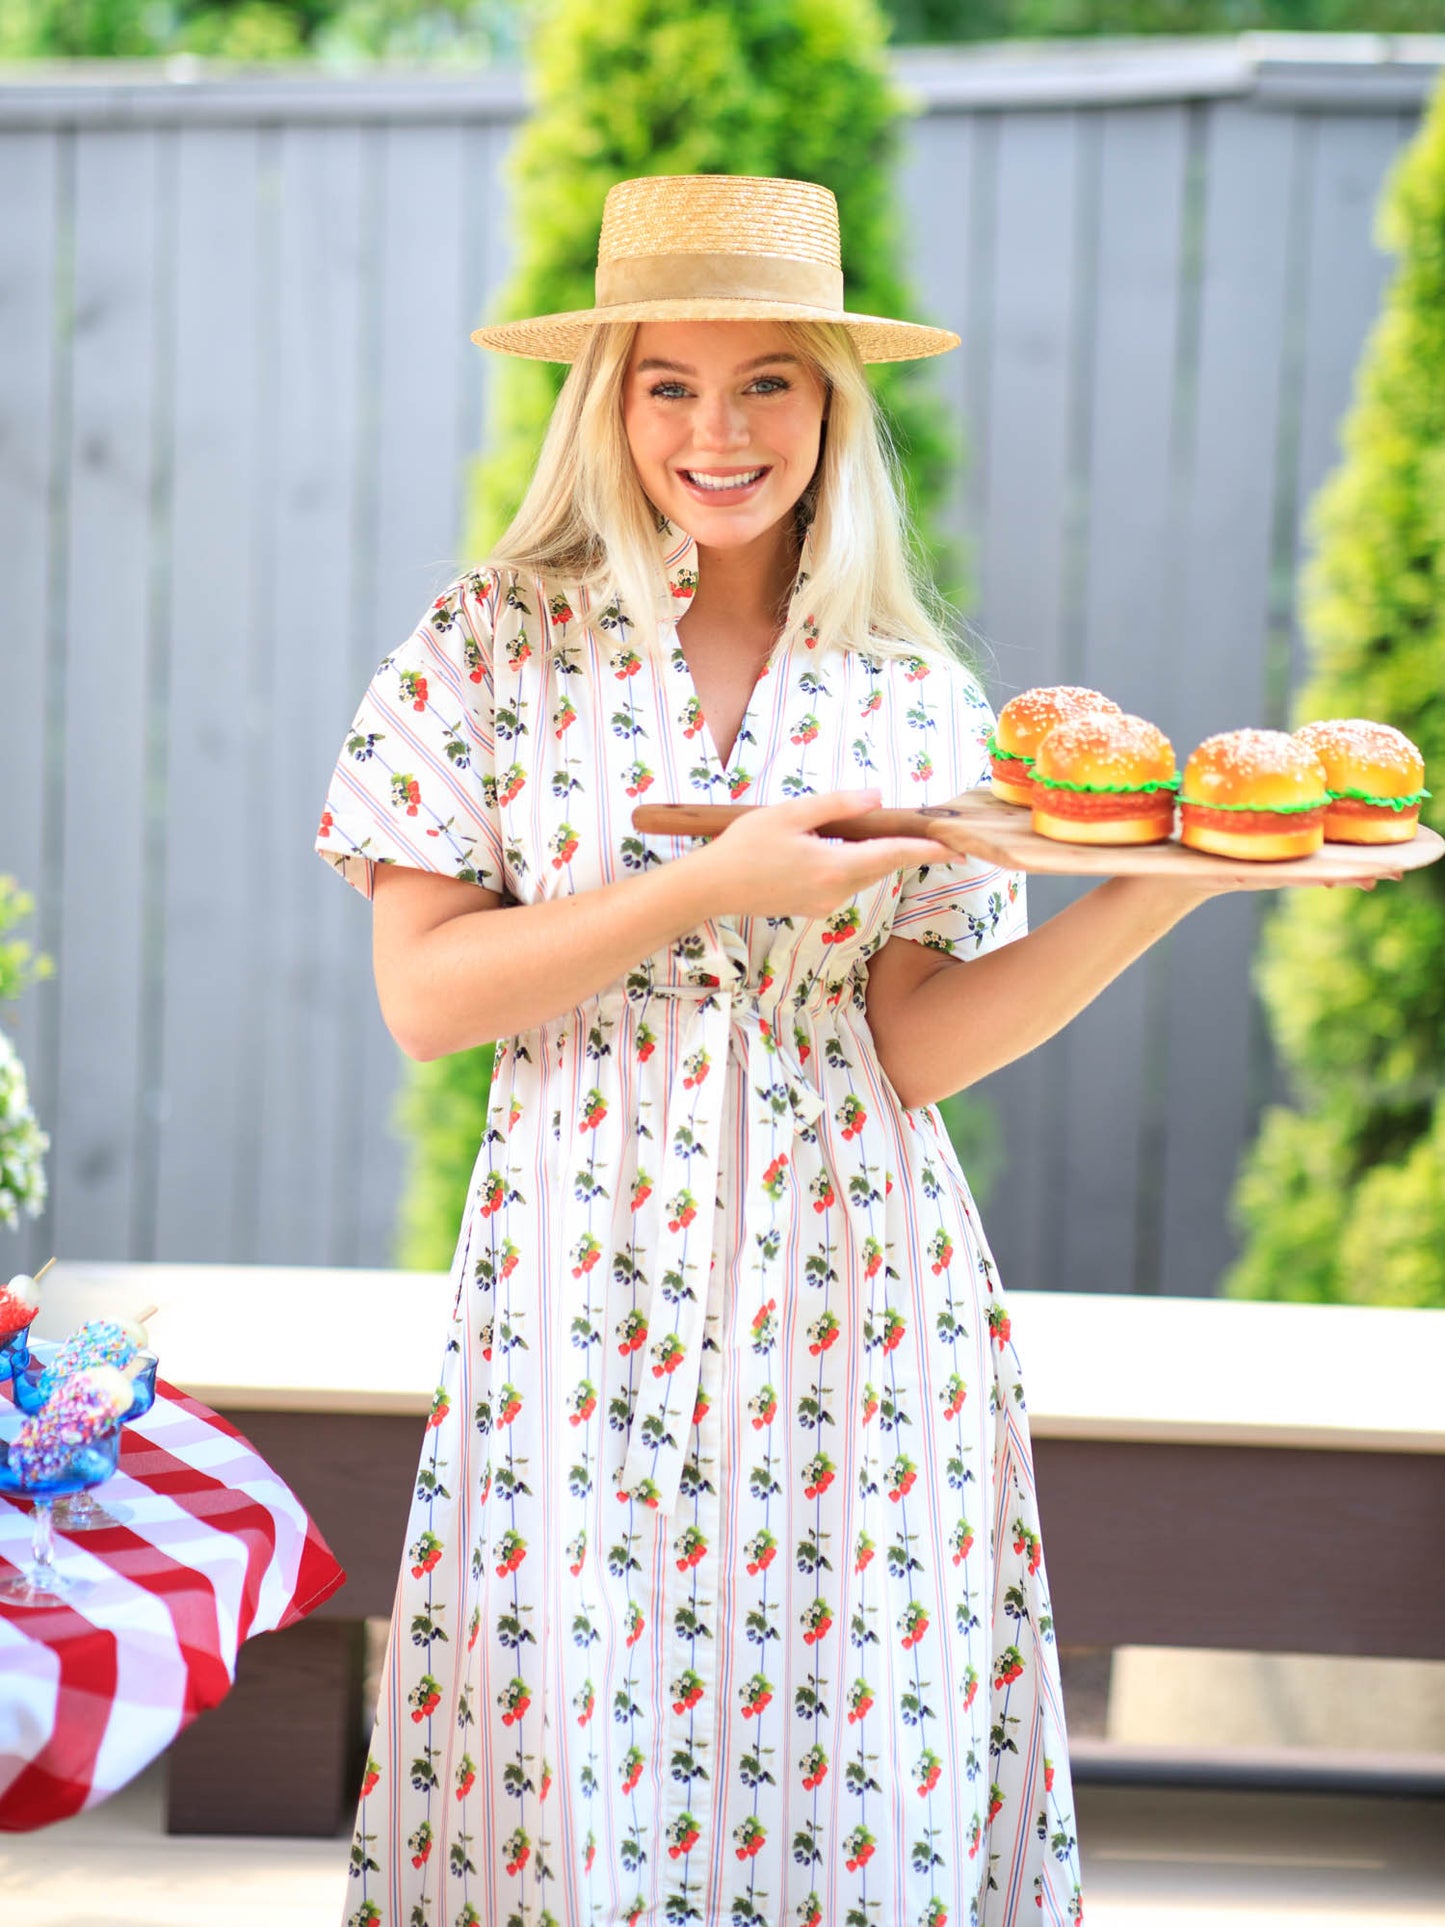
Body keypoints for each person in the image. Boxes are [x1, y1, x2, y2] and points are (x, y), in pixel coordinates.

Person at [314, 173, 1347, 1927]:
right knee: (581, 1736)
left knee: (847, 1754)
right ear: (609, 400)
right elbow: (427, 998)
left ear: (829, 404)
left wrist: (1162, 891)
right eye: (668, 384)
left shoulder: (908, 690)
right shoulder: (482, 649)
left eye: (767, 381)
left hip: (855, 1293)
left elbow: (919, 1050)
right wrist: (712, 881)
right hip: (583, 1280)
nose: (717, 431)